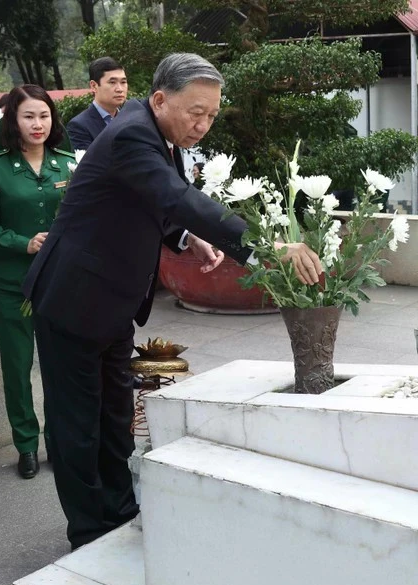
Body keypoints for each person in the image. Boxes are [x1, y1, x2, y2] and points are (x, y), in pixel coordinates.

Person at [23, 53, 323, 550]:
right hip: (73, 299)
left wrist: (187, 238)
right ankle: (90, 531)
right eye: (195, 113)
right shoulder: (132, 134)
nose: (203, 125)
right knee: (78, 425)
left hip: (113, 302)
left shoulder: (159, 134)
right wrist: (266, 245)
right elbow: (176, 197)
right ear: (160, 99)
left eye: (212, 115)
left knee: (115, 417)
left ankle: (120, 512)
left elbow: (156, 204)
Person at [0, 85, 76, 480]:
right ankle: (27, 447)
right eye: (29, 116)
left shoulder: (66, 164)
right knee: (17, 370)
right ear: (13, 121)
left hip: (59, 283)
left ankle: (58, 441)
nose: (38, 124)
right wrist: (22, 242)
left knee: (59, 367)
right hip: (12, 284)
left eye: (44, 116)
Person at [66, 57, 128, 150]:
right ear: (94, 86)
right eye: (112, 82)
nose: (120, 89)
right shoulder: (79, 126)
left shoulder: (130, 119)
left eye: (123, 82)